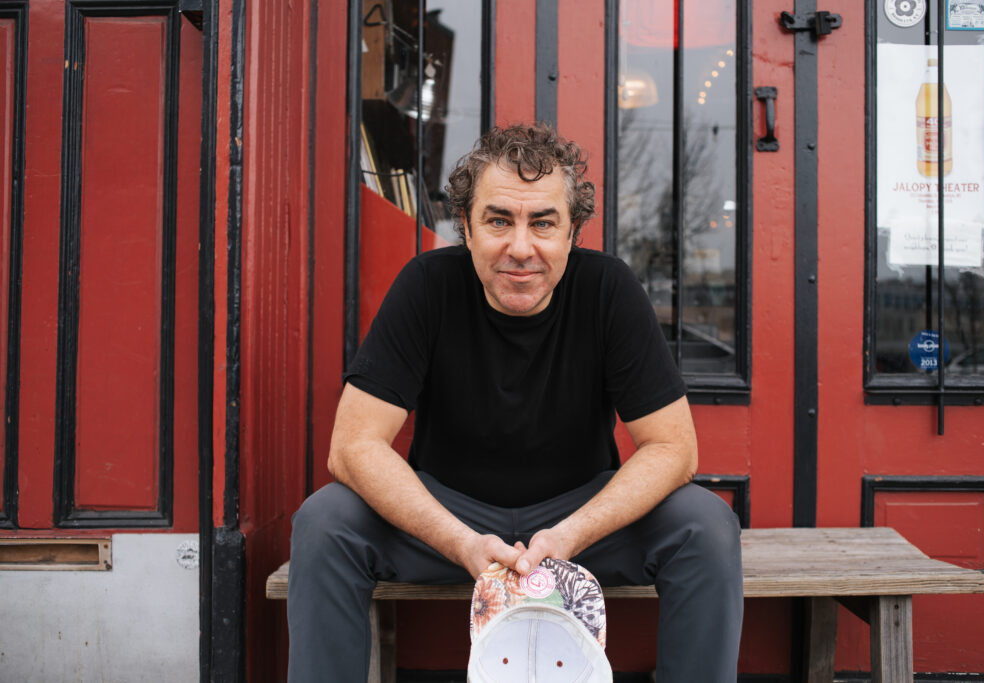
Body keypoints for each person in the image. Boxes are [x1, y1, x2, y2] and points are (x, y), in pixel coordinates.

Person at [287, 123, 743, 681]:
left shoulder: (608, 289)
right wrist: (463, 543)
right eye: (499, 220)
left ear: (572, 232)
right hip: (450, 517)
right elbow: (353, 446)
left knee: (704, 523)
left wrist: (569, 535)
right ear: (468, 228)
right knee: (326, 520)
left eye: (543, 223)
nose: (520, 248)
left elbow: (674, 449)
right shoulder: (426, 285)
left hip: (579, 521)